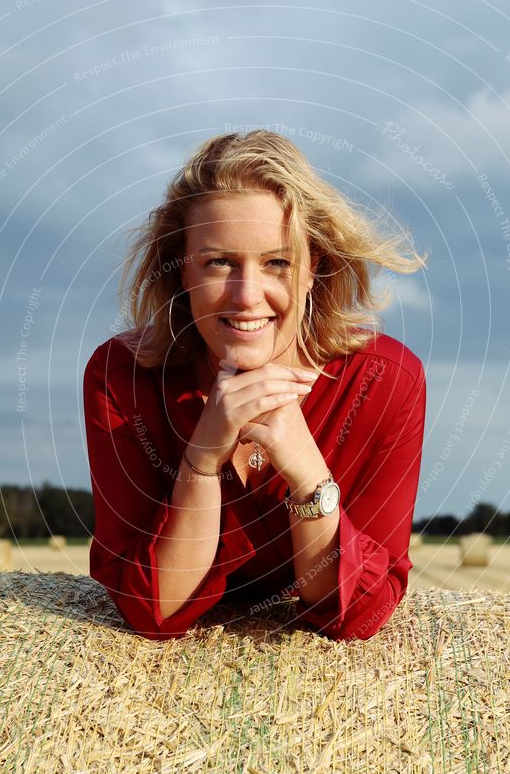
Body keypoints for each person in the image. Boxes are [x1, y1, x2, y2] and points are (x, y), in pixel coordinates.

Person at [83, 130, 427, 642]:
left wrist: (309, 476)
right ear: (180, 273)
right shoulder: (122, 377)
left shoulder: (385, 382)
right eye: (219, 262)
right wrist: (201, 460)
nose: (247, 296)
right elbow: (150, 608)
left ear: (315, 270)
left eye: (277, 263)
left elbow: (356, 615)